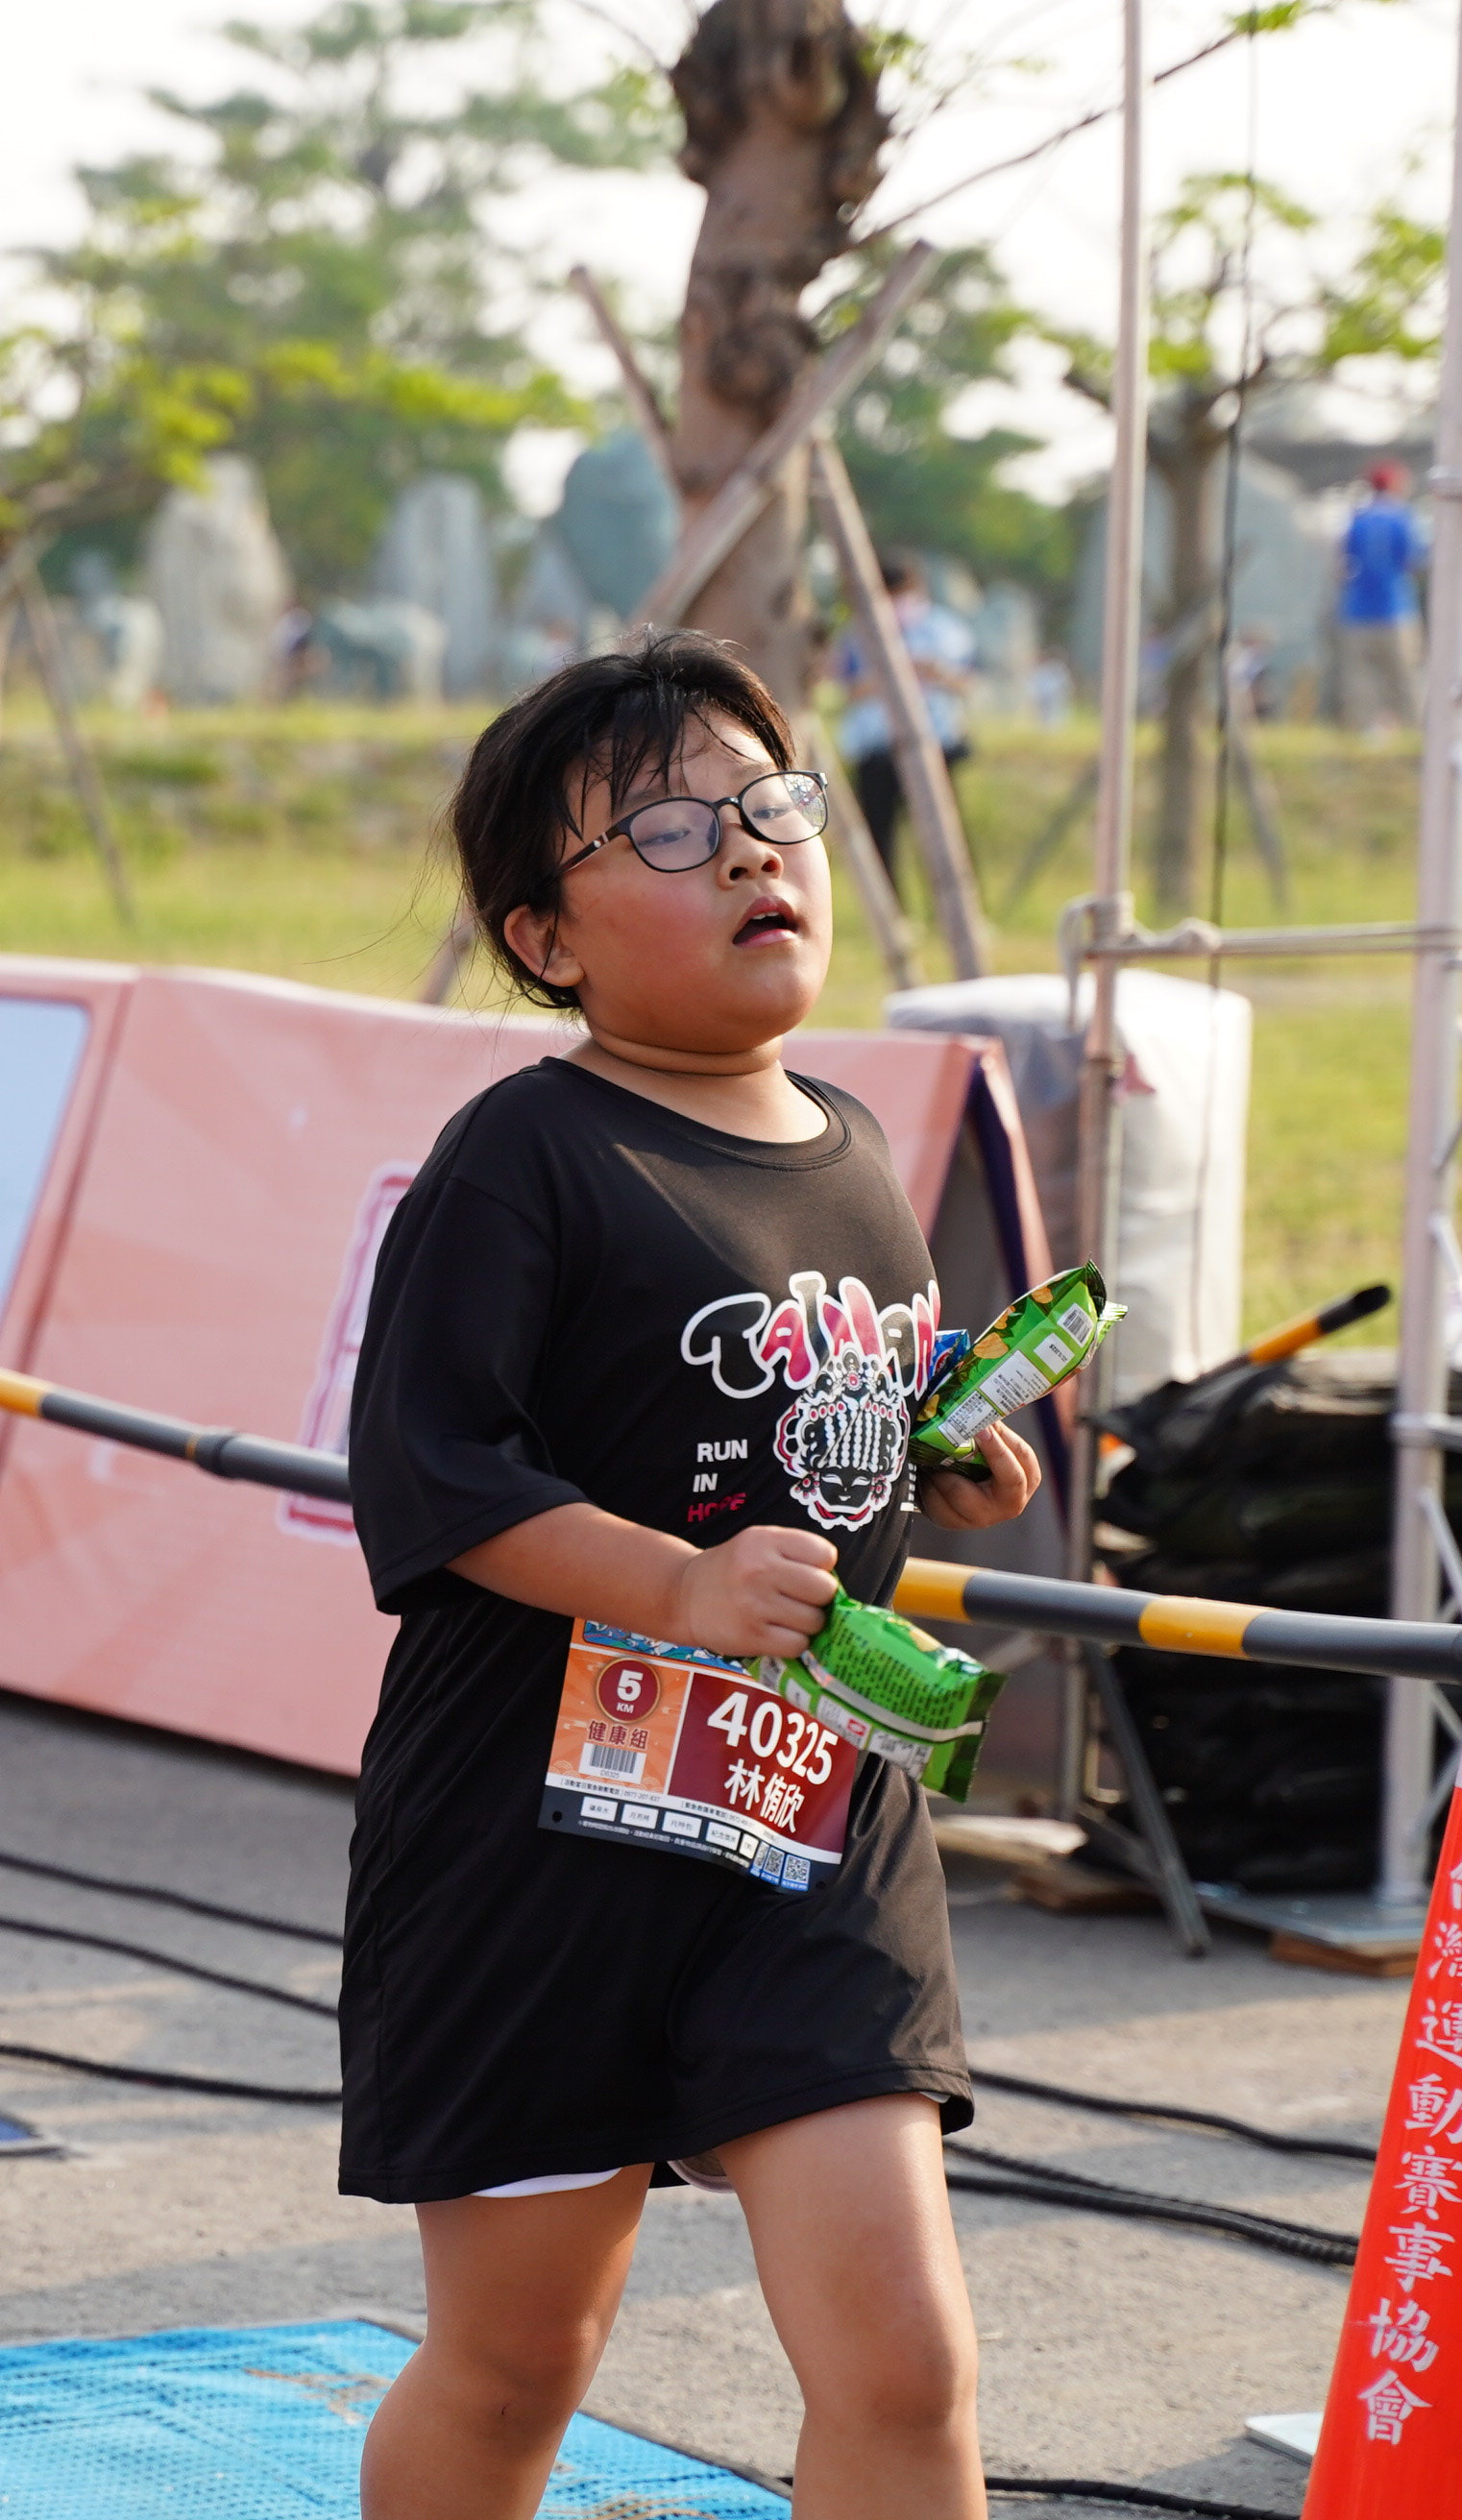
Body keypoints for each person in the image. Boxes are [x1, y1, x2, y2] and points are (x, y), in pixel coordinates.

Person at [340, 631, 1040, 2520]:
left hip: (811, 1823)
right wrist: (680, 1585)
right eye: (664, 829)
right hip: (533, 1841)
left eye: (769, 804)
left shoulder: (859, 1147)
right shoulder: (524, 1153)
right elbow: (432, 1474)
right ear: (543, 937)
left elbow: (825, 1429)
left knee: (906, 2362)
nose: (747, 849)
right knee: (516, 2367)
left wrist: (938, 1452)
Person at [832, 555, 976, 908]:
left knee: (943, 833)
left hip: (934, 742)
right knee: (880, 832)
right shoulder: (856, 634)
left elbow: (966, 681)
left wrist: (934, 671)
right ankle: (892, 909)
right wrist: (890, 675)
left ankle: (954, 907)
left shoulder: (944, 630)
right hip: (878, 747)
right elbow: (847, 688)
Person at [1331, 461, 1425, 733]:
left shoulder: (1357, 518)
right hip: (1396, 608)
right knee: (1403, 674)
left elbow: (1343, 563)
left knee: (1360, 677)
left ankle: (1364, 730)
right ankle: (1410, 728)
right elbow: (1413, 560)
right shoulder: (1402, 517)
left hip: (1356, 611)